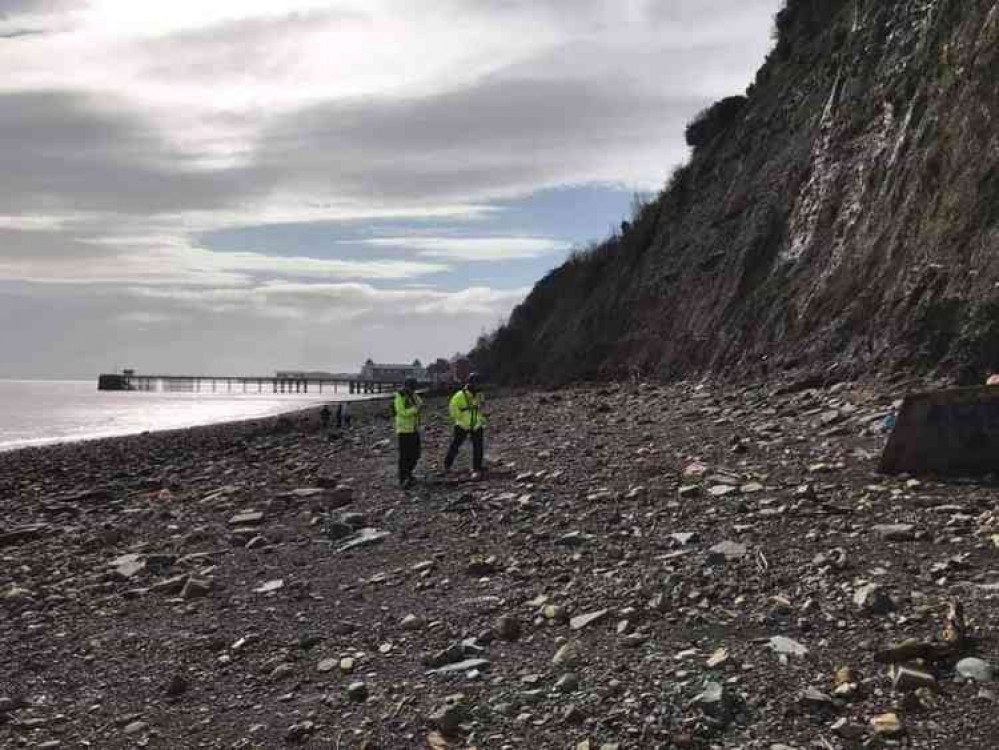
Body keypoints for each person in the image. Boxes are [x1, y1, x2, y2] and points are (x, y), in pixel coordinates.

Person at [443, 373, 487, 478]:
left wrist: (481, 418)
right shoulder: (460, 395)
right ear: (470, 383)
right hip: (462, 425)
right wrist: (461, 418)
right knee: (455, 446)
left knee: (478, 447)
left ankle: (477, 467)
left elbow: (481, 406)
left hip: (476, 424)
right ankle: (447, 465)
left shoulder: (479, 394)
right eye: (476, 384)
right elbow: (452, 409)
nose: (478, 386)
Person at [394, 378, 423, 489]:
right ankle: (403, 478)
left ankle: (409, 473)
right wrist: (415, 409)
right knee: (404, 456)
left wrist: (417, 406)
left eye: (413, 387)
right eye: (411, 387)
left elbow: (420, 403)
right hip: (404, 430)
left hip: (414, 429)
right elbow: (402, 412)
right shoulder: (400, 396)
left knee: (416, 454)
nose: (412, 389)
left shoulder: (414, 395)